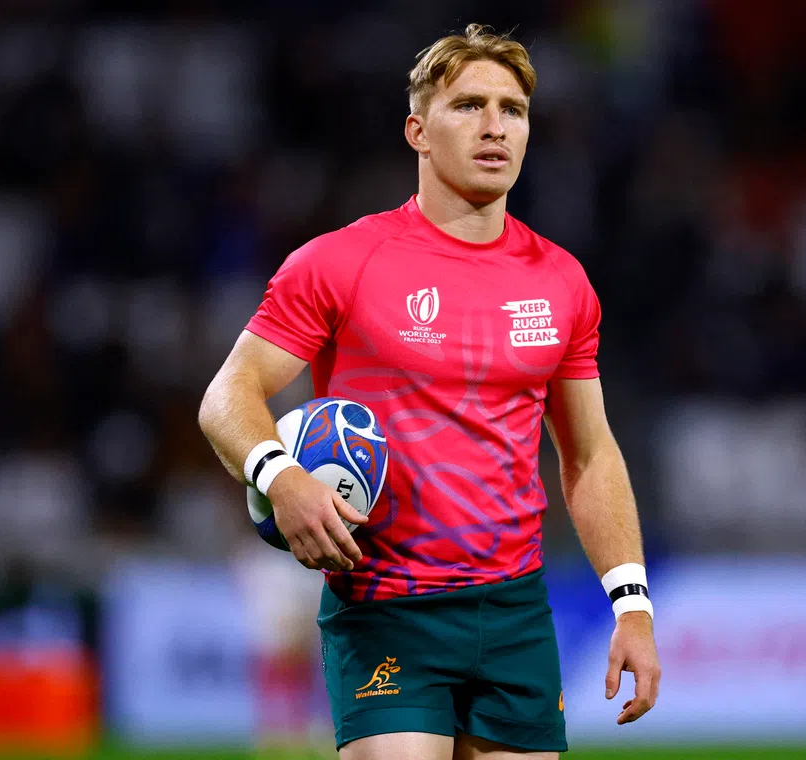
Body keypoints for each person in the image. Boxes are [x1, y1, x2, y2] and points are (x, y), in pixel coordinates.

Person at [198, 23, 660, 760]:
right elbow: (229, 393)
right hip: (386, 607)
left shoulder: (561, 281)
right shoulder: (340, 263)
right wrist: (279, 478)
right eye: (469, 105)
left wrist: (631, 605)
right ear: (418, 129)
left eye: (513, 109)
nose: (494, 127)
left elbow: (591, 454)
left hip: (514, 611)